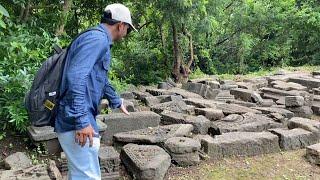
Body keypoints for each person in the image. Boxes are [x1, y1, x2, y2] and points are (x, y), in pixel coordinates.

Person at [54, 3, 136, 179]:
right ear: (120, 25)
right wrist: (82, 121)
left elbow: (98, 79)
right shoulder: (97, 40)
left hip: (74, 116)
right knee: (87, 176)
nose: (126, 34)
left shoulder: (97, 39)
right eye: (128, 29)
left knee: (80, 174)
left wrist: (116, 100)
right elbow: (75, 77)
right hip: (75, 120)